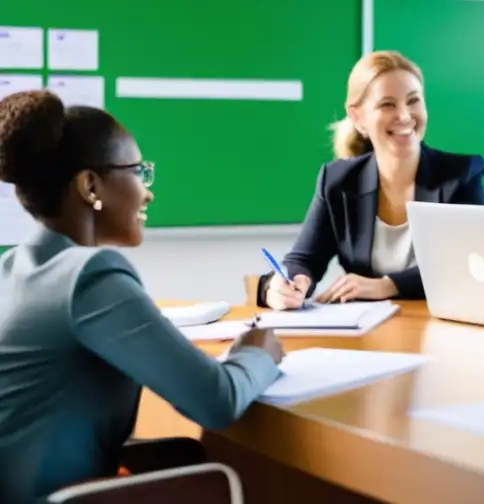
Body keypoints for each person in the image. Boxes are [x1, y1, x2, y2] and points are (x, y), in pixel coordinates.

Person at [0, 90, 284, 503]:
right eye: (137, 172)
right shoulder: (89, 277)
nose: (146, 191)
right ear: (90, 185)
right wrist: (259, 353)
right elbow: (217, 400)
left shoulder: (12, 268)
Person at [258, 50, 484, 310]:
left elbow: (472, 264)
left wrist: (388, 285)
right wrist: (282, 285)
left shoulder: (461, 176)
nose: (404, 115)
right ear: (358, 117)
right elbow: (304, 260)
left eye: (413, 101)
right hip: (368, 336)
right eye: (387, 104)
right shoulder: (337, 182)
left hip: (443, 332)